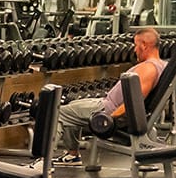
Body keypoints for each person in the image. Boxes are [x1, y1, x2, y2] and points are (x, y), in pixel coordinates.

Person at [52, 28, 164, 165]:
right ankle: (72, 155)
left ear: (144, 45)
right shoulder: (161, 64)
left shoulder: (148, 68)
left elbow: (134, 103)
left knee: (57, 112)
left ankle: (43, 162)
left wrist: (110, 118)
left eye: (135, 45)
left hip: (108, 109)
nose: (134, 50)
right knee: (71, 105)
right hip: (106, 103)